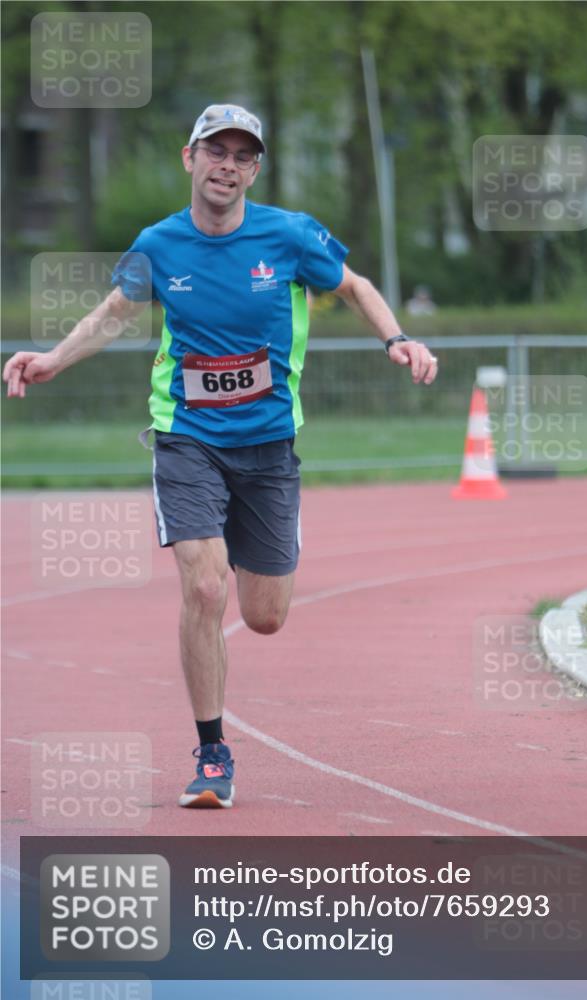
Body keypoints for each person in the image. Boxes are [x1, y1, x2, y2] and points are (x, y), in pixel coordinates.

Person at [4, 104, 438, 810]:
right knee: (205, 589)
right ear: (190, 158)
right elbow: (115, 312)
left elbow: (354, 287)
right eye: (216, 151)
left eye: (242, 155)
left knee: (264, 616)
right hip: (187, 437)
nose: (227, 166)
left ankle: (252, 539)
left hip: (268, 444)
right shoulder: (158, 244)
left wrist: (397, 339)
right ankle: (212, 753)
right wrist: (53, 358)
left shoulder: (289, 235)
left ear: (254, 170)